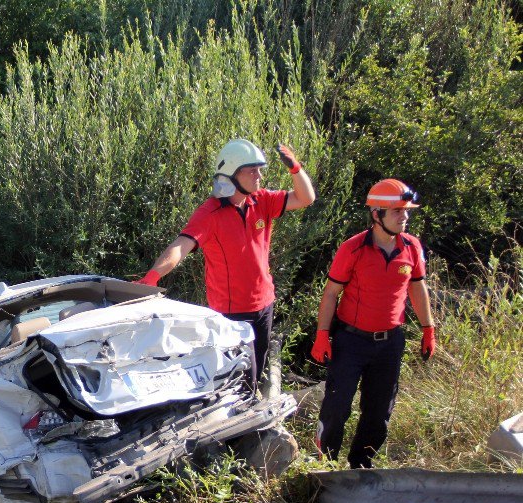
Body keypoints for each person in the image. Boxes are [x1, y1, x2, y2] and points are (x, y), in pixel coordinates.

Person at [135, 139, 316, 388]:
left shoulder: (262, 201)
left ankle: (252, 416)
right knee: (237, 379)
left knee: (257, 370)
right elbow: (181, 246)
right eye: (252, 170)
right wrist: (153, 276)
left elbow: (306, 198)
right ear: (232, 172)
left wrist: (295, 168)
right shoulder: (209, 213)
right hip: (231, 313)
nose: (259, 176)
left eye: (259, 170)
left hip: (264, 304)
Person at [310, 178, 436, 469]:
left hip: (389, 343)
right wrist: (322, 335)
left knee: (378, 412)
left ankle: (360, 466)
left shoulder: (412, 247)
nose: (405, 217)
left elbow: (417, 288)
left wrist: (428, 329)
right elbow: (331, 294)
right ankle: (324, 465)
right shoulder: (353, 249)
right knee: (337, 407)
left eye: (407, 212)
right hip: (351, 341)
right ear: (377, 214)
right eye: (398, 212)